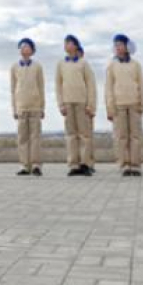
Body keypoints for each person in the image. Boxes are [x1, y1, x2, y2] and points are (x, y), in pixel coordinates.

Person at [55, 34, 97, 177]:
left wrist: (90, 104)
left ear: (76, 46)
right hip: (68, 102)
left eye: (70, 43)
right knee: (71, 135)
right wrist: (60, 104)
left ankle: (85, 164)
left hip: (81, 102)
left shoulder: (83, 63)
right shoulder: (61, 64)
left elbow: (91, 85)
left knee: (84, 135)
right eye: (65, 43)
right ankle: (73, 164)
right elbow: (58, 86)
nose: (67, 45)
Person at [105, 34, 143, 177]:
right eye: (115, 45)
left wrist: (142, 103)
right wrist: (110, 107)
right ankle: (124, 165)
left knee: (135, 136)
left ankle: (135, 165)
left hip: (134, 104)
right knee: (121, 137)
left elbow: (141, 85)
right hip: (118, 105)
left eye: (120, 45)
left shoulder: (136, 65)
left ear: (127, 46)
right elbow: (109, 88)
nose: (117, 48)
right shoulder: (112, 66)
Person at [11, 37, 45, 177]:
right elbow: (13, 89)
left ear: (32, 50)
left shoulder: (37, 66)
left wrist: (42, 107)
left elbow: (41, 87)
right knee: (22, 138)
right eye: (21, 46)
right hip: (21, 106)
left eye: (27, 46)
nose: (24, 49)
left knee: (35, 137)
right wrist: (14, 109)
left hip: (35, 106)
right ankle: (24, 165)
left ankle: (36, 165)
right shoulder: (14, 67)